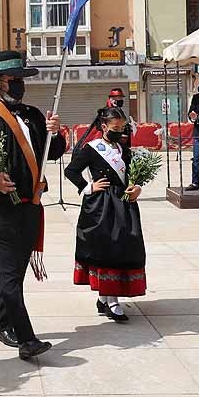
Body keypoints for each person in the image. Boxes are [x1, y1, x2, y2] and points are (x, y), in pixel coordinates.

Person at [0, 50, 66, 361]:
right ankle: (26, 338)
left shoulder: (32, 114)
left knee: (15, 270)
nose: (19, 85)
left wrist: (56, 133)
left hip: (29, 202)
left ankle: (1, 323)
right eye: (13, 80)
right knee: (8, 271)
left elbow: (53, 152)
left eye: (21, 80)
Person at [65, 107, 145, 323]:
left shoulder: (123, 148)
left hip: (124, 203)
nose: (119, 132)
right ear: (103, 127)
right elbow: (71, 171)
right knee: (106, 248)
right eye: (115, 128)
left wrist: (137, 187)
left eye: (122, 128)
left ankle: (105, 298)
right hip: (101, 205)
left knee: (123, 247)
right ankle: (111, 301)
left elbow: (133, 173)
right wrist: (88, 187)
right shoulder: (92, 149)